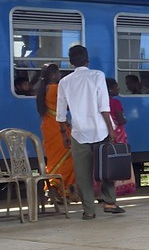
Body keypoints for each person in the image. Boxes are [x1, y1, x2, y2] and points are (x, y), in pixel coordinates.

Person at [55, 45, 122, 218]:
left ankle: (89, 211)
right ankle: (109, 202)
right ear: (87, 59)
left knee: (83, 174)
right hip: (100, 129)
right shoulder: (97, 75)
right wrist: (111, 129)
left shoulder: (64, 82)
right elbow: (103, 106)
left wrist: (64, 134)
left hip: (79, 133)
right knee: (106, 167)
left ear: (70, 62)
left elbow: (61, 111)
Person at [34, 62, 76, 204]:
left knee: (54, 160)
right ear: (53, 75)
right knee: (67, 159)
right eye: (58, 73)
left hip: (48, 127)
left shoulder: (43, 89)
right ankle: (60, 189)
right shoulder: (56, 88)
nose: (60, 75)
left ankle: (52, 188)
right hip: (58, 128)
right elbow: (69, 104)